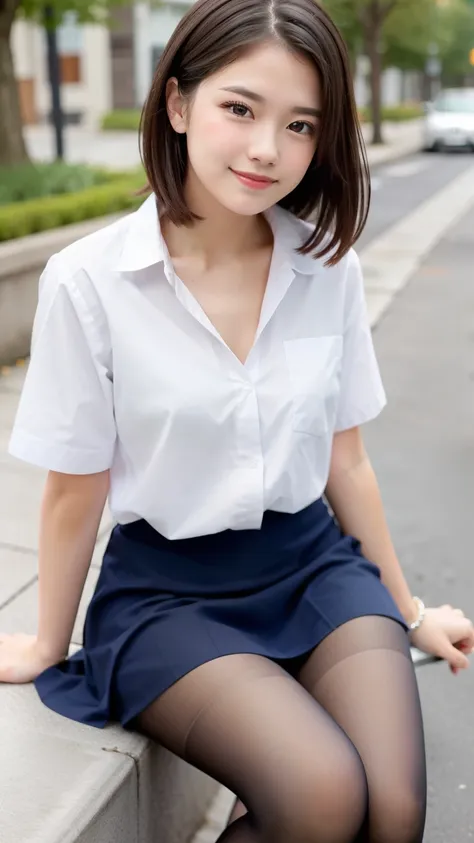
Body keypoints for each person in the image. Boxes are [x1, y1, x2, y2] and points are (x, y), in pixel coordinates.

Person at [1, 0, 473, 841]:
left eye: (299, 125)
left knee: (393, 814)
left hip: (313, 564)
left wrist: (410, 609)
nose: (267, 149)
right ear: (178, 105)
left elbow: (348, 461)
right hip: (167, 593)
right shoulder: (90, 282)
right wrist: (46, 641)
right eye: (240, 109)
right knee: (323, 798)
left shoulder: (327, 268)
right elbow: (75, 488)